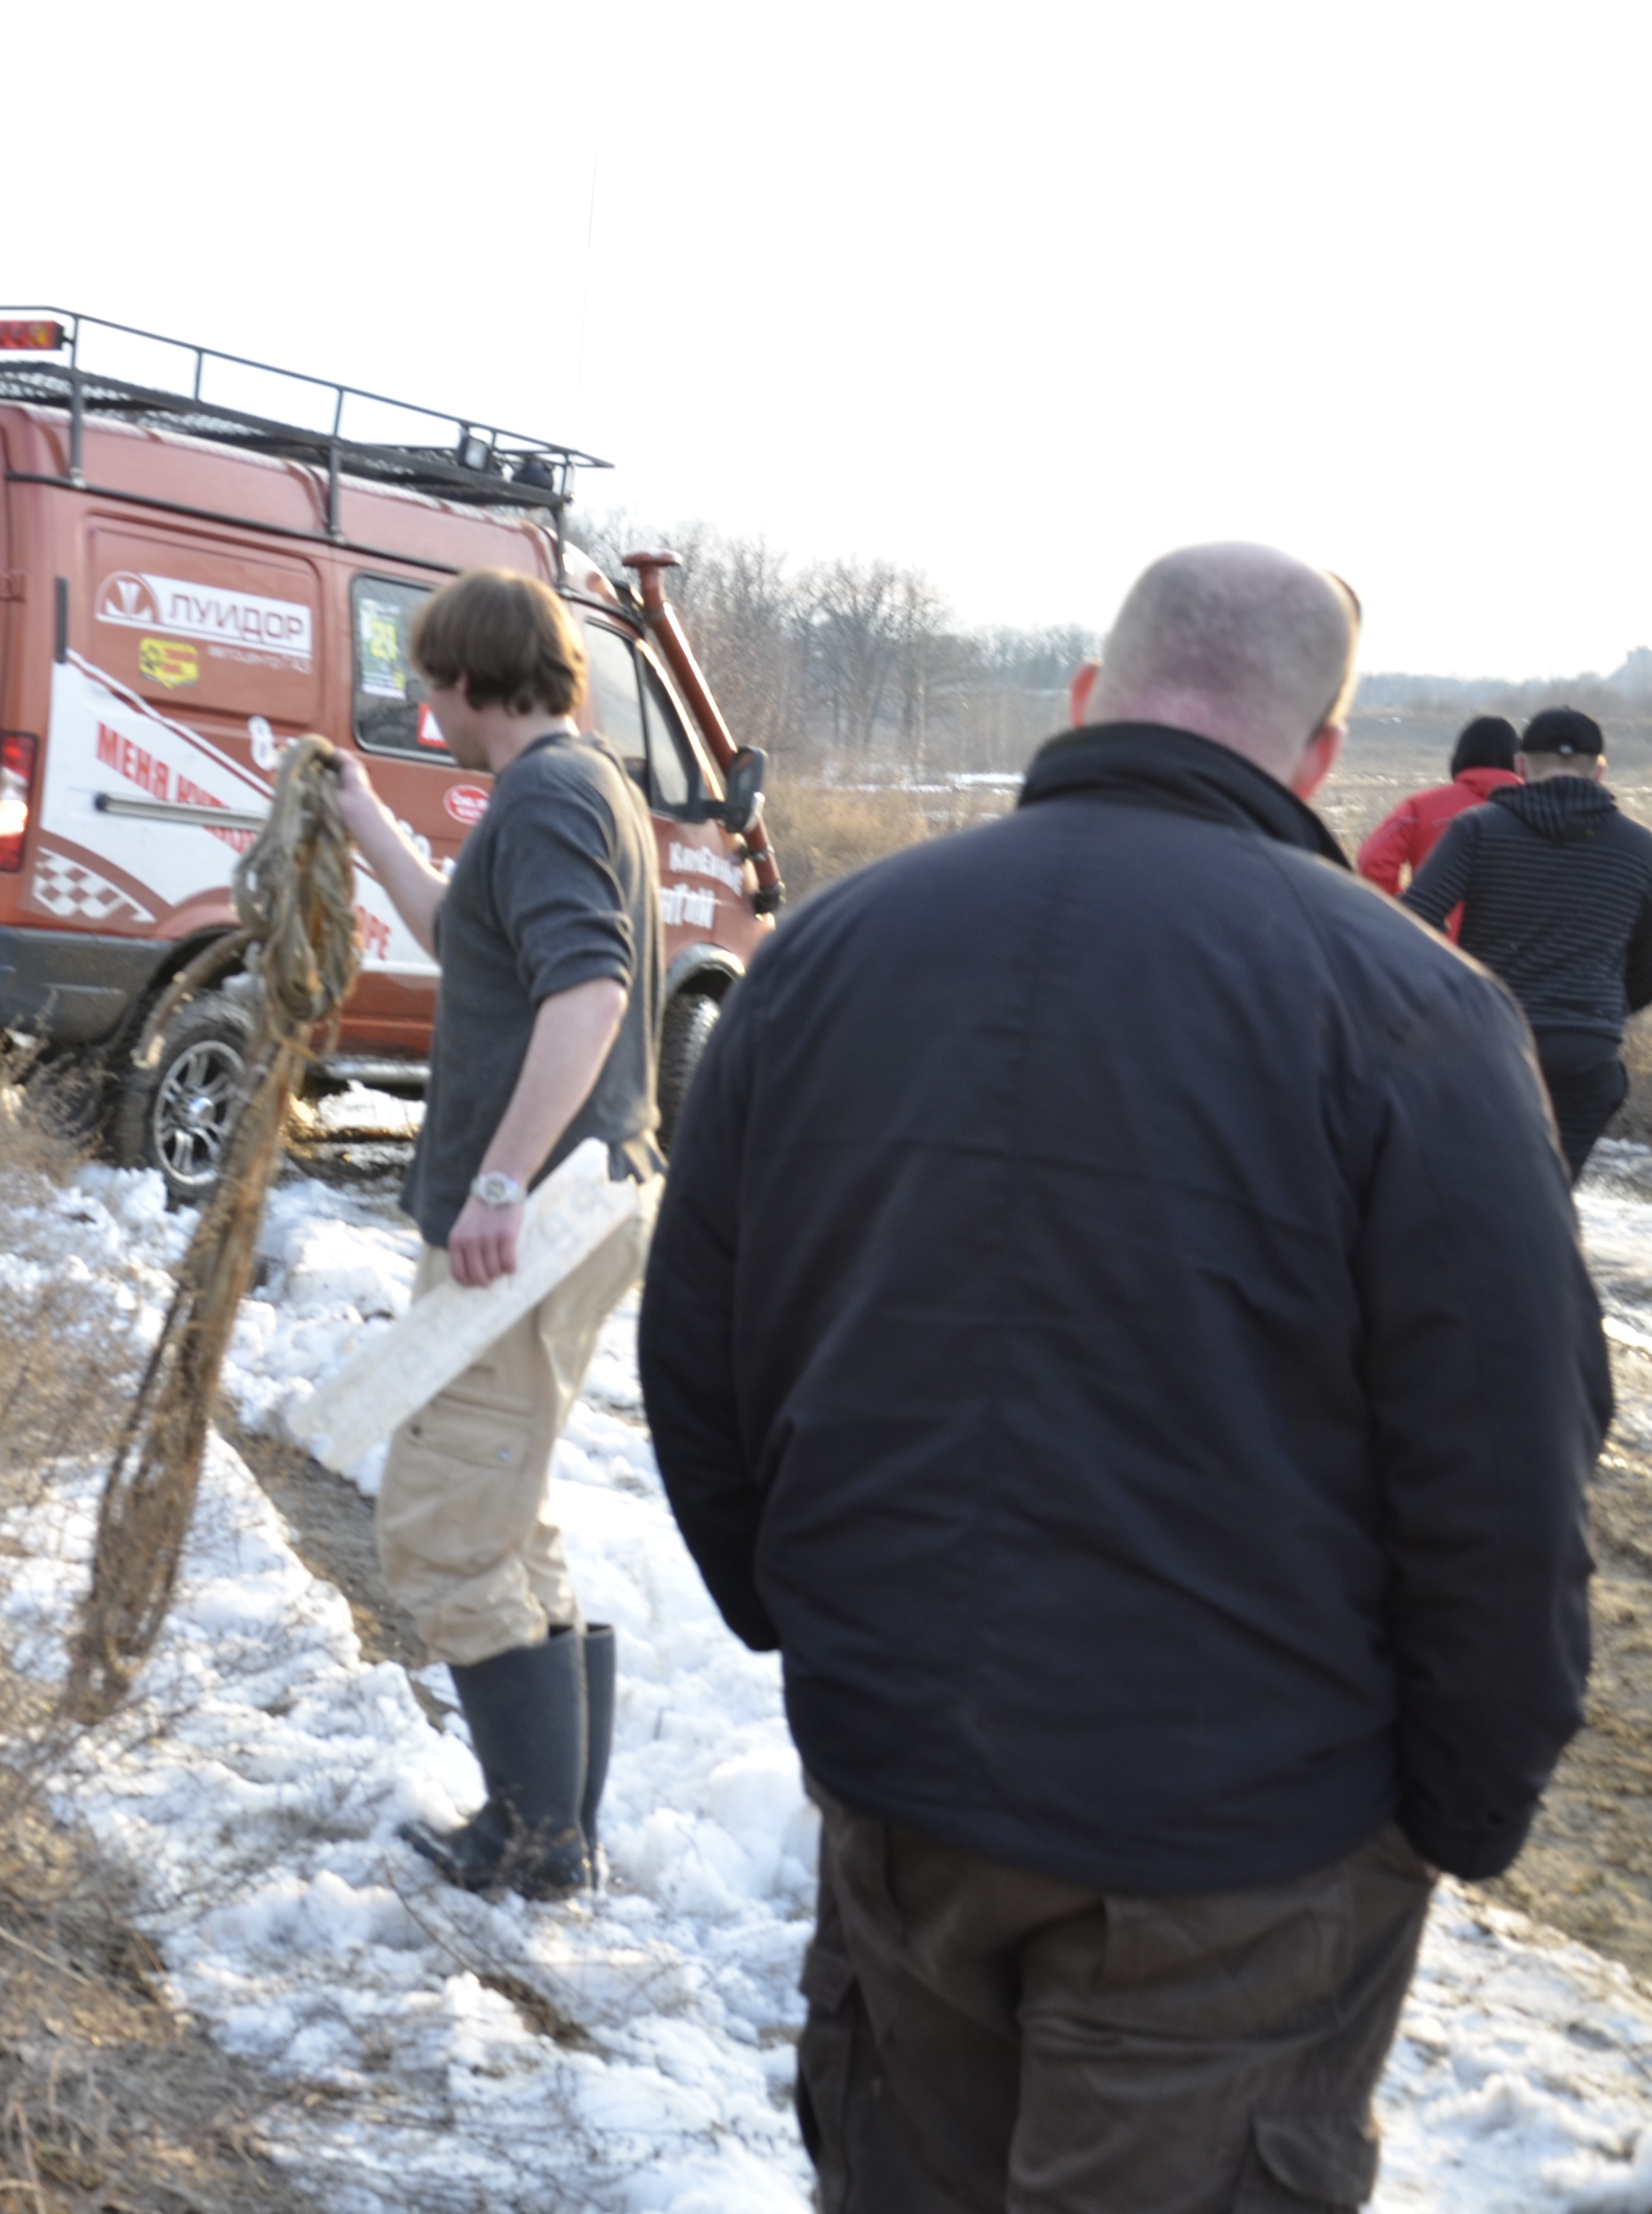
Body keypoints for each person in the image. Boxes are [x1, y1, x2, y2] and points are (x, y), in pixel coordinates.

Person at [640, 544, 1597, 2211]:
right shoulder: (1414, 1013)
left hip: (918, 1780)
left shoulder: (829, 950)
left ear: (1087, 697)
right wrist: (1460, 1805)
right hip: (1234, 1851)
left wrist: (830, 1635)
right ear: (1319, 751)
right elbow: (1507, 1477)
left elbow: (695, 1352)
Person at [330, 565, 661, 1903]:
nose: (426, 707)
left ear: (473, 680)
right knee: (503, 1514)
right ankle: (545, 1830)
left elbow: (588, 996)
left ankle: (536, 1843)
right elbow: (459, 938)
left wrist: (502, 1185)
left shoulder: (546, 800)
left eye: (430, 684)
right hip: (571, 1207)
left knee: (446, 1524)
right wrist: (359, 817)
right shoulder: (576, 788)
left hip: (539, 1218)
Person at [1402, 707, 1652, 1180]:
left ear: (1520, 766)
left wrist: (1445, 1004)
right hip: (1587, 1052)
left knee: (1476, 1189)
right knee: (1550, 1195)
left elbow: (1412, 922)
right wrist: (1605, 1009)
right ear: (1600, 770)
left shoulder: (1478, 830)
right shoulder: (1641, 848)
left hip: (1489, 1042)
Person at [1356, 712, 1518, 905]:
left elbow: (1372, 861)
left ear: (1460, 756)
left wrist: (1406, 911)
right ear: (1519, 761)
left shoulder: (1420, 807)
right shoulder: (1538, 812)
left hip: (1434, 921)